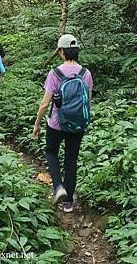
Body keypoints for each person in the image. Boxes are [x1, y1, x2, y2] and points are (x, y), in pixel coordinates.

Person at [32, 34, 92, 213]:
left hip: (57, 124)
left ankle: (58, 187)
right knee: (71, 159)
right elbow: (88, 102)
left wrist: (36, 124)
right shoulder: (86, 74)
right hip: (78, 124)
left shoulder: (55, 73)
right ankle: (68, 203)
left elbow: (44, 104)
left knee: (51, 152)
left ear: (61, 52)